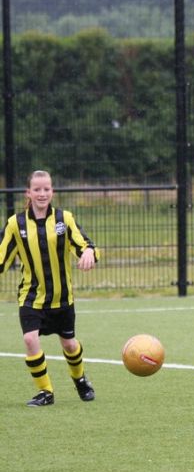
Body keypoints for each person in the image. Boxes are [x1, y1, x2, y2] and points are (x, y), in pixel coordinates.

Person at [0, 170, 99, 406]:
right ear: (28, 193)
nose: (42, 193)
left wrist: (89, 252)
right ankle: (45, 392)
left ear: (52, 191)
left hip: (62, 297)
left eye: (46, 189)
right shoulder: (15, 224)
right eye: (37, 189)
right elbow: (1, 257)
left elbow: (85, 245)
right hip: (31, 297)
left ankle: (80, 379)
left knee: (69, 344)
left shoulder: (65, 219)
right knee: (30, 339)